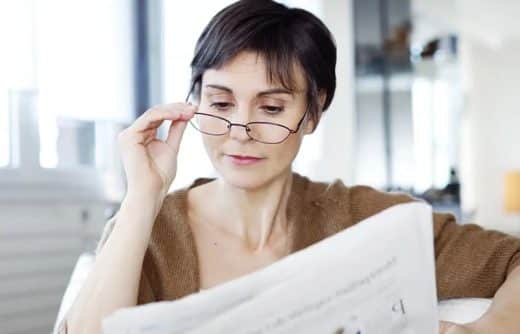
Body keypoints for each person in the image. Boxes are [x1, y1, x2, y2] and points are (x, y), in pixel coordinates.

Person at [59, 1, 520, 333]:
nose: (240, 129)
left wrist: (491, 328)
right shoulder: (152, 230)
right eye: (220, 102)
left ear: (313, 111)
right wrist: (142, 195)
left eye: (272, 108)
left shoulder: (365, 218)